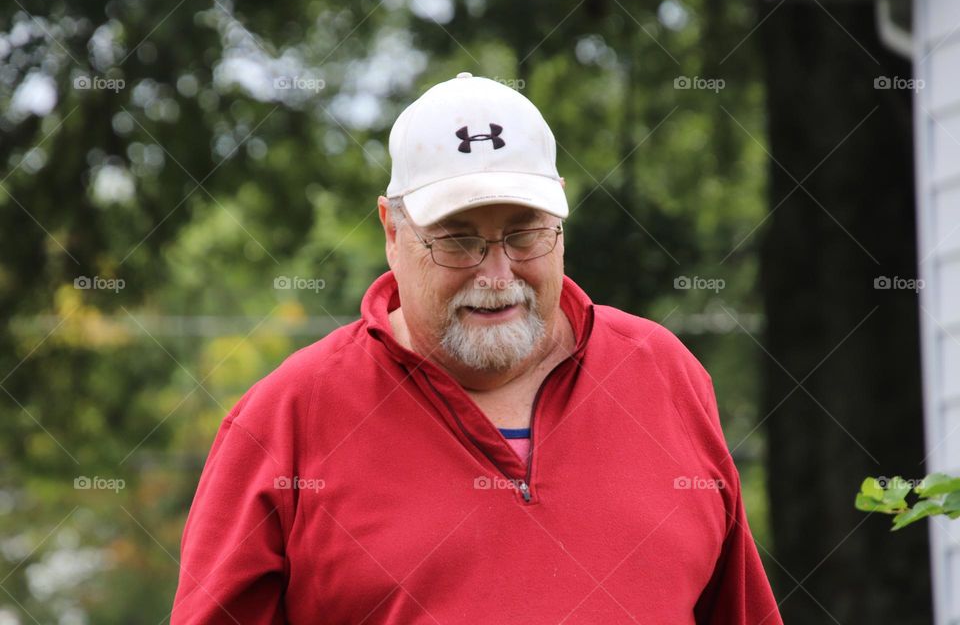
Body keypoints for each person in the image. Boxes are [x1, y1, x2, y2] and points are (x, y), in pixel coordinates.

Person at [171, 73, 783, 624]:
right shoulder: (286, 418)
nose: (496, 275)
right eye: (458, 240)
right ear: (391, 231)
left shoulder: (663, 373)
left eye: (524, 234)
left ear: (560, 219)